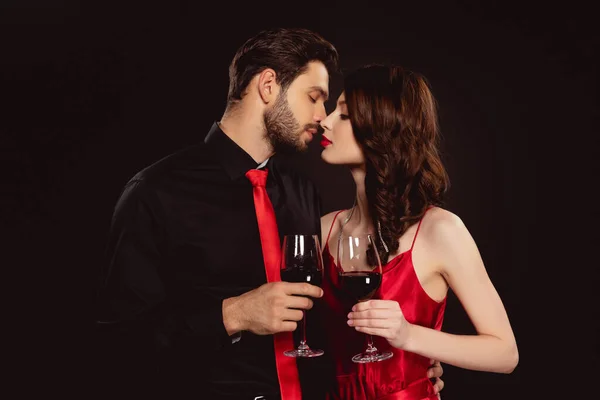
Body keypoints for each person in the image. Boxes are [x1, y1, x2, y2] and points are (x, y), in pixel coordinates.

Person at [93, 28, 445, 399]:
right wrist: (233, 315)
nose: (321, 116)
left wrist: (406, 365)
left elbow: (320, 326)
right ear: (268, 85)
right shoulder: (155, 192)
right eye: (314, 97)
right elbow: (119, 344)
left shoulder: (302, 191)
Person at [317, 64, 519, 399]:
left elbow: (505, 353)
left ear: (381, 127)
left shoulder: (440, 230)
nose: (325, 121)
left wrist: (410, 338)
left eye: (344, 114)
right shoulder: (323, 229)